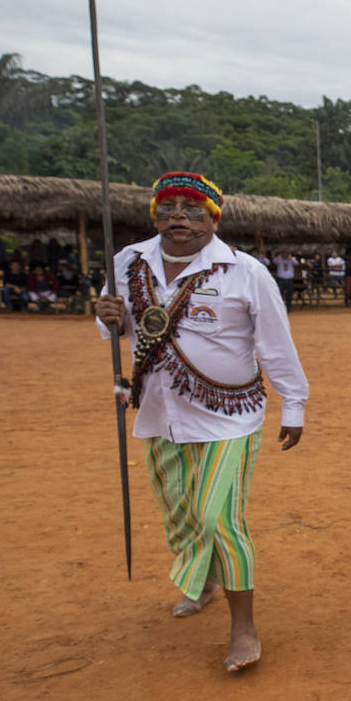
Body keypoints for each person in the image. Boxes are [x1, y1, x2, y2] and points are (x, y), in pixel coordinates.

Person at [94, 171, 308, 673]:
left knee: (219, 519)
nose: (180, 220)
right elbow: (114, 329)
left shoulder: (244, 270)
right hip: (158, 413)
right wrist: (105, 316)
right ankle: (206, 582)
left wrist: (293, 403)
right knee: (182, 517)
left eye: (194, 211)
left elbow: (275, 345)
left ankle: (244, 627)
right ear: (154, 214)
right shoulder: (127, 262)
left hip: (229, 418)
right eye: (169, 208)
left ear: (214, 217)